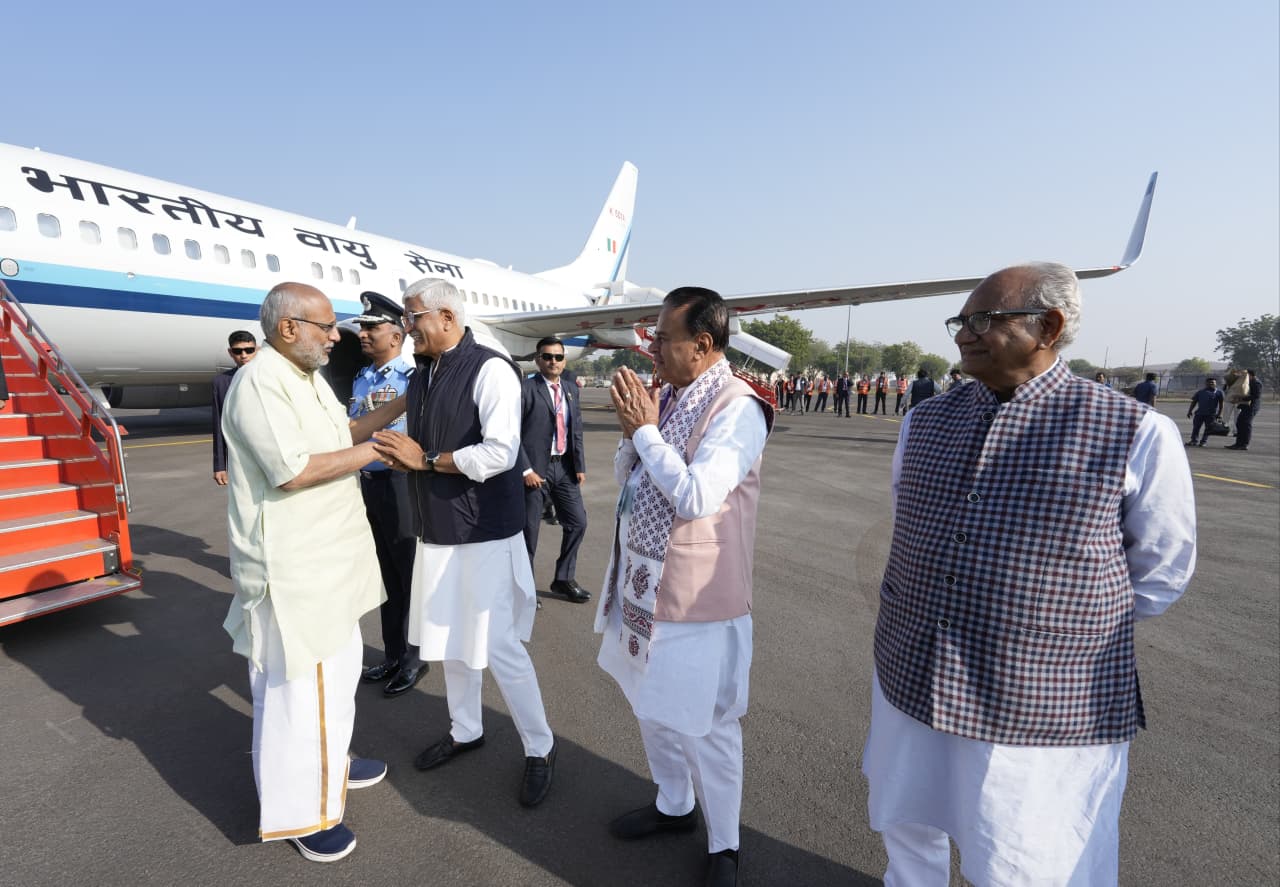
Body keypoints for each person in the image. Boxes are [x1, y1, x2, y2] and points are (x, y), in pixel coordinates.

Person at [863, 262, 1195, 886]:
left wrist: (1044, 622)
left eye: (983, 320)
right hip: (913, 669)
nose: (963, 334)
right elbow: (912, 522)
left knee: (1023, 851)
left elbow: (1160, 571)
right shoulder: (925, 419)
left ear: (1050, 325)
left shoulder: (1137, 432)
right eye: (959, 320)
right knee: (906, 824)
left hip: (1041, 697)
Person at [222, 282, 404, 863]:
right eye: (326, 326)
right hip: (295, 570)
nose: (337, 336)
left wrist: (402, 406)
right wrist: (384, 451)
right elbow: (294, 471)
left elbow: (342, 435)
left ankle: (333, 764)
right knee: (299, 695)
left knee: (336, 681)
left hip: (330, 563)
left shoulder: (305, 379)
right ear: (288, 327)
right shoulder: (261, 382)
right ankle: (302, 813)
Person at [600, 286, 773, 887]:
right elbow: (629, 475)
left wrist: (646, 433)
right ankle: (674, 805)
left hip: (699, 597)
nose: (650, 350)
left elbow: (698, 495)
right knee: (653, 708)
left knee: (708, 724)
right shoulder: (670, 396)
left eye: (661, 340)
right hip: (645, 582)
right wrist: (633, 434)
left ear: (702, 344)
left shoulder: (738, 406)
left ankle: (724, 844)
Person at [371, 278, 556, 808]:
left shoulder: (491, 369)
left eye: (412, 318)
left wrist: (425, 461)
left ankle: (540, 747)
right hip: (437, 532)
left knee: (499, 647)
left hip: (484, 533)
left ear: (447, 317)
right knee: (449, 640)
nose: (406, 329)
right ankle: (465, 729)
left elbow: (499, 452)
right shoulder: (424, 372)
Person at [348, 291, 427, 697]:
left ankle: (416, 657)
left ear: (395, 336)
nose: (362, 333)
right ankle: (393, 654)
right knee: (384, 576)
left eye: (371, 327)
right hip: (369, 486)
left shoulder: (413, 377)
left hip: (401, 486)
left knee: (409, 575)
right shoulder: (363, 377)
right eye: (362, 327)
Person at [518, 336, 591, 604]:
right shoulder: (526, 389)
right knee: (529, 533)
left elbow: (577, 429)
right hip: (535, 471)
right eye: (547, 356)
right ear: (538, 360)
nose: (553, 361)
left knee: (577, 523)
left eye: (558, 357)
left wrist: (579, 465)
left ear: (564, 360)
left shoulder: (571, 389)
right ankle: (525, 589)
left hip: (564, 468)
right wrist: (525, 470)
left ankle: (563, 579)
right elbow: (511, 433)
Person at [212, 331, 257, 486]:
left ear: (256, 350)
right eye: (238, 351)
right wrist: (219, 466)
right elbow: (219, 425)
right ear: (230, 353)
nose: (244, 355)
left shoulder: (272, 376)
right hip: (239, 458)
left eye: (249, 350)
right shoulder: (221, 382)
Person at [1225, 368, 1262, 452]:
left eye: (1245, 374)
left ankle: (1244, 444)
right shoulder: (1247, 382)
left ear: (1250, 375)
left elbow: (1256, 396)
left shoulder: (1256, 383)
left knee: (1246, 425)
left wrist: (1242, 398)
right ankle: (1238, 444)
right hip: (1245, 406)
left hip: (1251, 407)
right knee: (1239, 424)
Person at [1186, 377, 1223, 447]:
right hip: (1199, 414)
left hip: (1211, 415)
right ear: (1206, 383)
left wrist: (1220, 414)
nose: (1211, 384)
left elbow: (1221, 404)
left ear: (1216, 384)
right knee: (1196, 428)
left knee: (1208, 429)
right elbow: (1194, 402)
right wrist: (1190, 411)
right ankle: (1194, 440)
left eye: (1213, 382)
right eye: (1209, 382)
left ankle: (1203, 442)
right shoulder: (1200, 392)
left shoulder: (1219, 393)